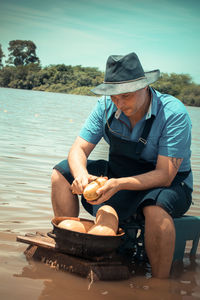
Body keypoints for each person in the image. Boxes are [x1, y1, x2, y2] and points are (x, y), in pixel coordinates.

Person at [51, 52, 193, 279]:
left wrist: (118, 185)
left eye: (125, 96)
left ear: (144, 87)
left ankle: (159, 285)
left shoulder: (173, 113)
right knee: (61, 174)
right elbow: (78, 149)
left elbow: (165, 174)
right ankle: (70, 249)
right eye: (114, 96)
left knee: (154, 208)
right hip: (119, 175)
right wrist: (81, 175)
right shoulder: (105, 106)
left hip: (169, 183)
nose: (119, 102)